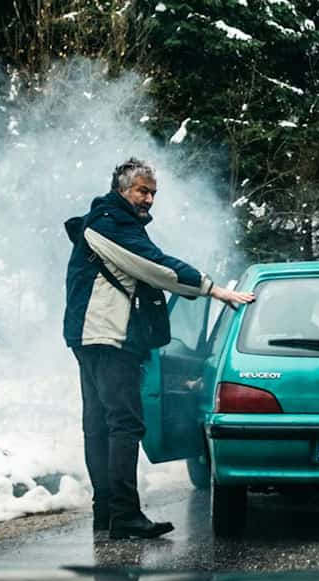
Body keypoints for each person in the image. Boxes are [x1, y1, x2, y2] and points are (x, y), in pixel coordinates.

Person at [63, 158, 255, 540]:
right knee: (123, 424)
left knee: (100, 425)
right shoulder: (109, 224)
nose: (149, 199)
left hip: (93, 337)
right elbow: (155, 266)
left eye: (153, 192)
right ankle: (124, 515)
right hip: (107, 338)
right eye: (142, 191)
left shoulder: (110, 222)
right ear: (122, 189)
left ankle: (108, 513)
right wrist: (211, 288)